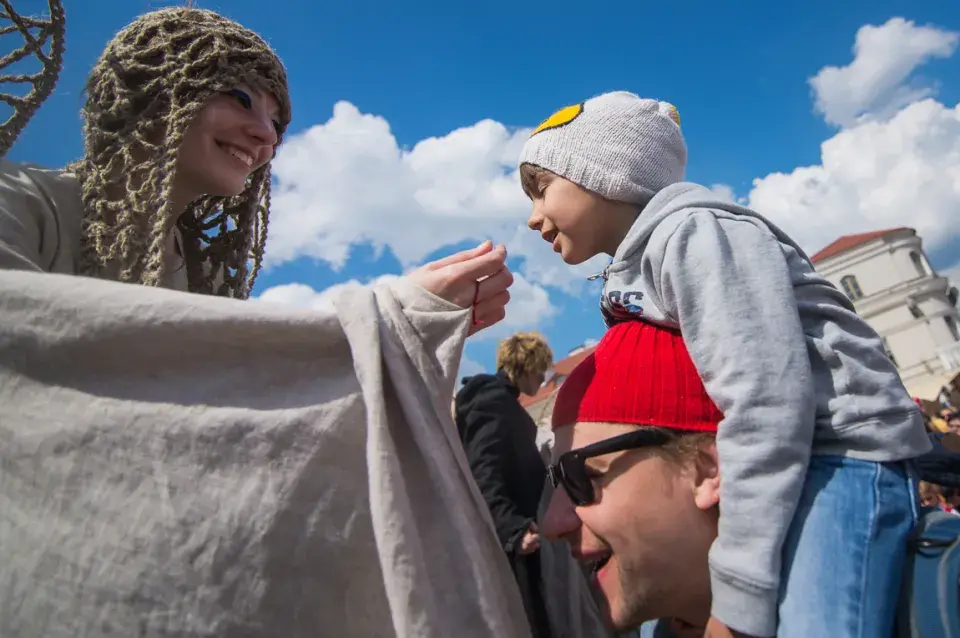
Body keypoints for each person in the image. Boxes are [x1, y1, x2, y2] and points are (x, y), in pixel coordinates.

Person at [0, 8, 529, 637]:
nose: (265, 134)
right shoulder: (22, 200)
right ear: (155, 85)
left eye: (277, 121)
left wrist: (405, 341)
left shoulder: (197, 279)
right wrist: (385, 329)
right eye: (240, 96)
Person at [518, 91, 930, 637]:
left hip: (843, 451)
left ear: (608, 174)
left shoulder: (696, 235)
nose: (531, 217)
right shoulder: (637, 269)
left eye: (542, 189)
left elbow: (766, 399)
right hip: (792, 451)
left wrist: (736, 605)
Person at [540, 319, 918, 638]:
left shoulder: (932, 599)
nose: (552, 523)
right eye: (555, 480)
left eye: (583, 475)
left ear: (709, 470)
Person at [455, 331, 554, 638]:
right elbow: (484, 469)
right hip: (510, 544)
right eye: (540, 371)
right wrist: (512, 528)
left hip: (518, 540)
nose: (541, 380)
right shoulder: (491, 401)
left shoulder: (505, 404)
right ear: (526, 365)